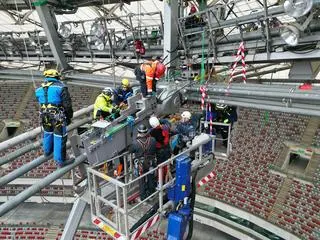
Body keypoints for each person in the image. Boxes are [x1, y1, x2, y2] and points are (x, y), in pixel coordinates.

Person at [35, 69, 73, 168]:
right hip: (58, 118)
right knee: (60, 137)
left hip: (45, 117)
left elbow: (40, 100)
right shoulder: (61, 88)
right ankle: (61, 160)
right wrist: (69, 117)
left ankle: (47, 151)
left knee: (47, 133)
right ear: (57, 77)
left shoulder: (39, 90)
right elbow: (67, 106)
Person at [130, 124, 157, 200]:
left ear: (138, 132)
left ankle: (143, 196)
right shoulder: (153, 140)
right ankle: (151, 194)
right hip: (150, 162)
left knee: (141, 181)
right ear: (146, 132)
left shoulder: (135, 143)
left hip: (140, 164)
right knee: (151, 178)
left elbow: (130, 150)